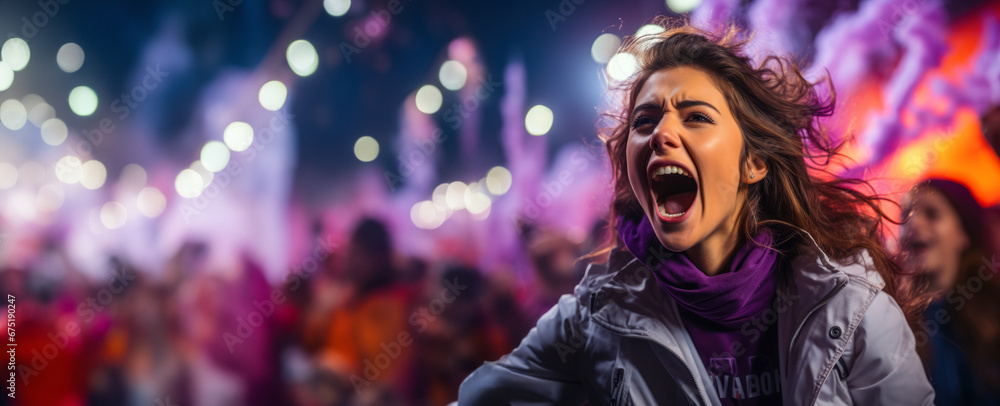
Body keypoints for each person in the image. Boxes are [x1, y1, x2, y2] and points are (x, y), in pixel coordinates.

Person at [457, 22, 934, 405]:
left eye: (696, 117)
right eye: (645, 121)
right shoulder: (595, 319)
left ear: (753, 162)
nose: (661, 134)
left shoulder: (850, 307)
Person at [899, 179, 1000, 405]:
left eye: (932, 214)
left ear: (964, 233)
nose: (914, 223)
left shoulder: (994, 308)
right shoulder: (887, 318)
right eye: (905, 215)